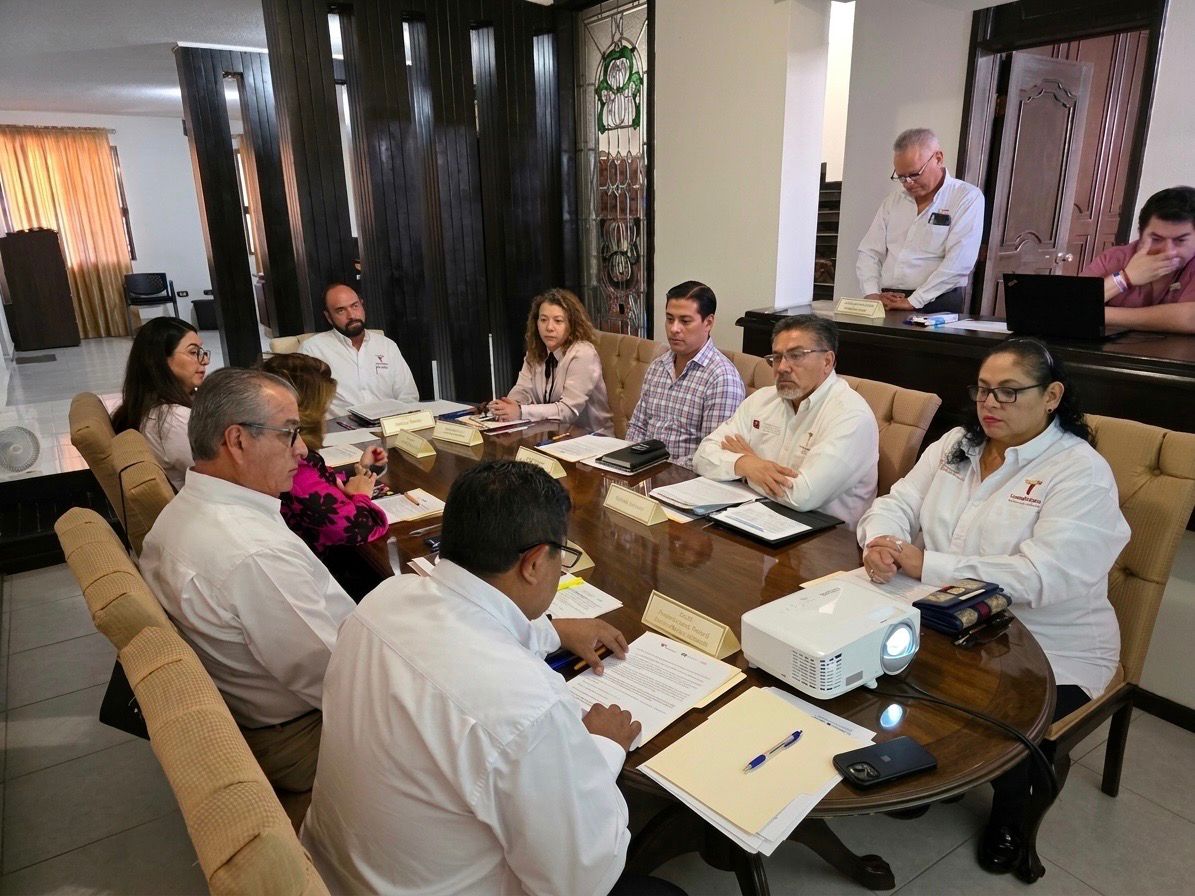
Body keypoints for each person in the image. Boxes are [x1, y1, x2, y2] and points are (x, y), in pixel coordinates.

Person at [301, 460, 663, 895]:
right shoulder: (526, 707)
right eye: (561, 556)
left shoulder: (383, 599)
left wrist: (552, 631)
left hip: (331, 872)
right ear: (534, 563)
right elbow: (582, 878)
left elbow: (467, 628)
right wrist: (604, 746)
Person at [856, 337, 1130, 874]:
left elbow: (1043, 574)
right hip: (946, 619)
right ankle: (933, 768)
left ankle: (1011, 814)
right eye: (983, 390)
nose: (990, 404)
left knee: (1004, 717)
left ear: (1052, 396)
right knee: (871, 668)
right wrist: (881, 540)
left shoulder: (1079, 471)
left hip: (1047, 644)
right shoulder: (958, 444)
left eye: (1008, 392)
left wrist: (926, 563)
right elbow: (899, 501)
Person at [140, 368, 357, 793]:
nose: (302, 449)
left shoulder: (189, 505)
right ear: (237, 441)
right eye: (289, 433)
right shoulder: (253, 554)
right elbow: (340, 681)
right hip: (303, 733)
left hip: (279, 706)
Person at [692, 315, 878, 528]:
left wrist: (747, 469)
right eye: (777, 357)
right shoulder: (763, 399)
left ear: (827, 361)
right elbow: (703, 456)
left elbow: (802, 496)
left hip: (824, 537)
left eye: (796, 356)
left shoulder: (850, 416)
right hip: (756, 519)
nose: (781, 367)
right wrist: (746, 464)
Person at [261, 353, 389, 600]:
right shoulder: (294, 468)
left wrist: (356, 472)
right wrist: (361, 496)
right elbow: (360, 526)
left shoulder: (287, 455)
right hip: (331, 582)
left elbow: (321, 482)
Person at [856, 127, 985, 313]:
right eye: (901, 177)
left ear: (938, 158)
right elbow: (869, 251)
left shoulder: (965, 197)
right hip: (888, 299)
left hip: (936, 301)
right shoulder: (894, 201)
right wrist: (872, 294)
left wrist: (914, 301)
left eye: (914, 174)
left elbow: (960, 261)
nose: (908, 183)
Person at [624, 281, 745, 468]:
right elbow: (638, 427)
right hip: (644, 471)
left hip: (686, 479)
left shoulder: (722, 378)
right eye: (669, 319)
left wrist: (657, 471)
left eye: (685, 321)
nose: (674, 329)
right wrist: (628, 463)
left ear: (708, 322)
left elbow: (712, 455)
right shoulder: (658, 366)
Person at [489, 288, 614, 435]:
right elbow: (523, 389)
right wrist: (507, 407)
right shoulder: (535, 351)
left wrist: (521, 411)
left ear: (572, 324)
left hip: (592, 438)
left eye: (558, 321)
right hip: (553, 436)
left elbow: (568, 410)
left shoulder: (583, 353)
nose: (549, 327)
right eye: (543, 320)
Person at [112, 316, 210, 490]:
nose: (205, 360)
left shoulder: (145, 404)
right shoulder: (173, 419)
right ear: (161, 360)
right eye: (193, 352)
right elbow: (219, 477)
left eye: (201, 351)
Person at [1083, 185, 1195, 334]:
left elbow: (1191, 318)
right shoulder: (1113, 258)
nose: (1168, 252)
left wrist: (1101, 314)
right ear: (1140, 234)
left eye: (1180, 240)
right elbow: (1066, 306)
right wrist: (1125, 278)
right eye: (1156, 239)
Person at [299, 282, 419, 417]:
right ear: (328, 317)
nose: (351, 315)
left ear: (362, 305)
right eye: (341, 310)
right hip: (342, 427)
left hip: (389, 423)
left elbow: (408, 397)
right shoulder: (313, 350)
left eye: (355, 306)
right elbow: (305, 406)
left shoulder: (386, 346)